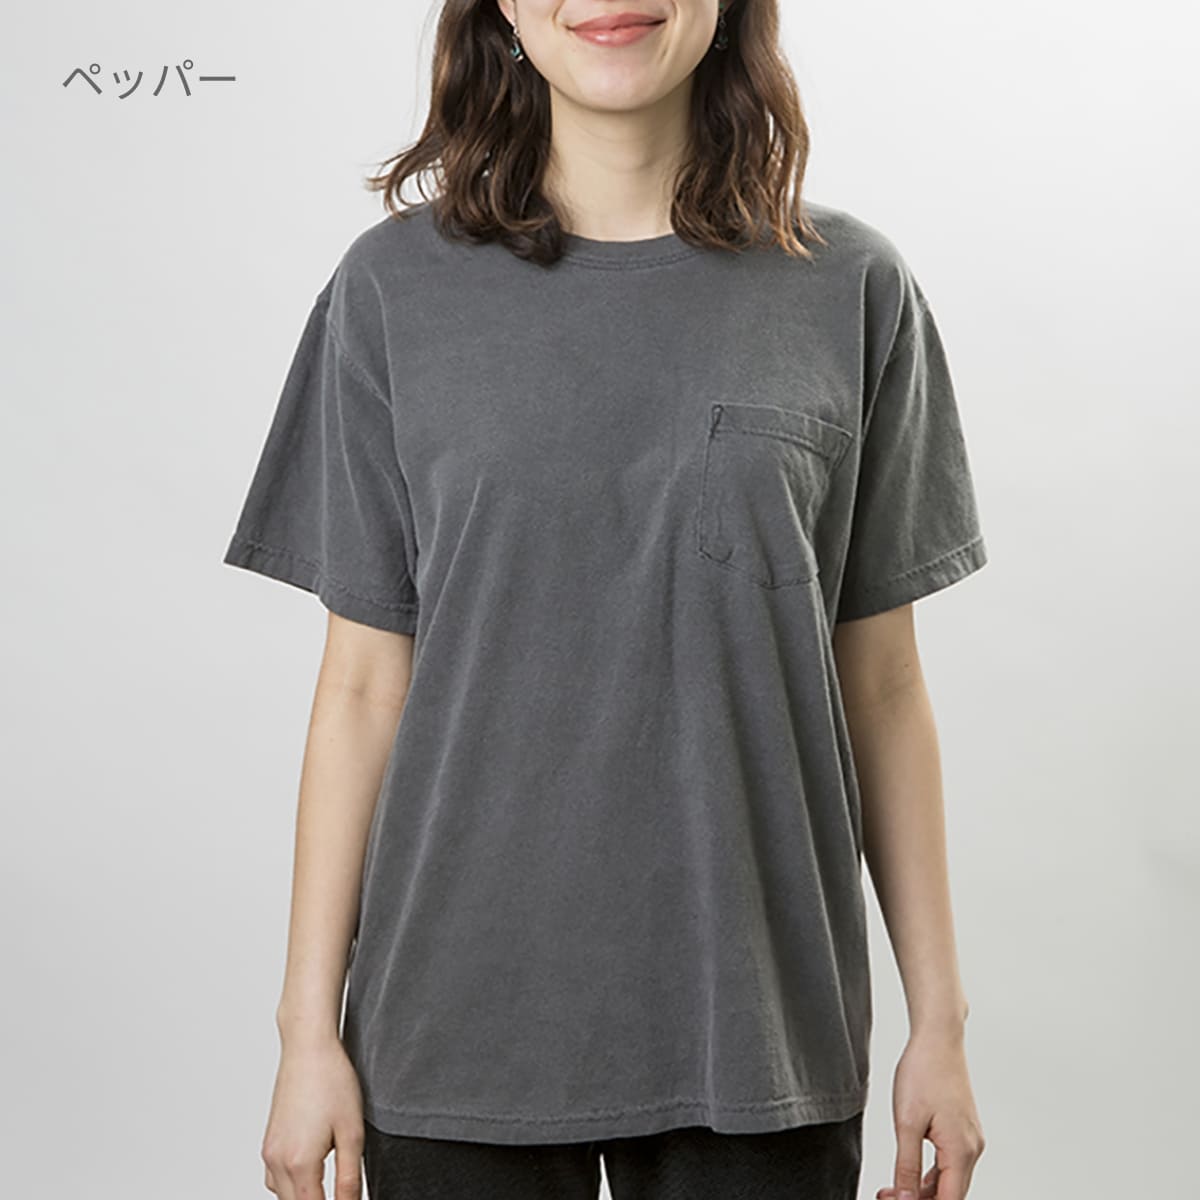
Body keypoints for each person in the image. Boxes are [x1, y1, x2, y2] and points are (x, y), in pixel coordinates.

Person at [222, 1, 991, 1197]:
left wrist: (938, 1024)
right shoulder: (390, 292)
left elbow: (882, 686)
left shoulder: (850, 287)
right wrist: (305, 1035)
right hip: (452, 1034)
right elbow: (363, 688)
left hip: (760, 1035)